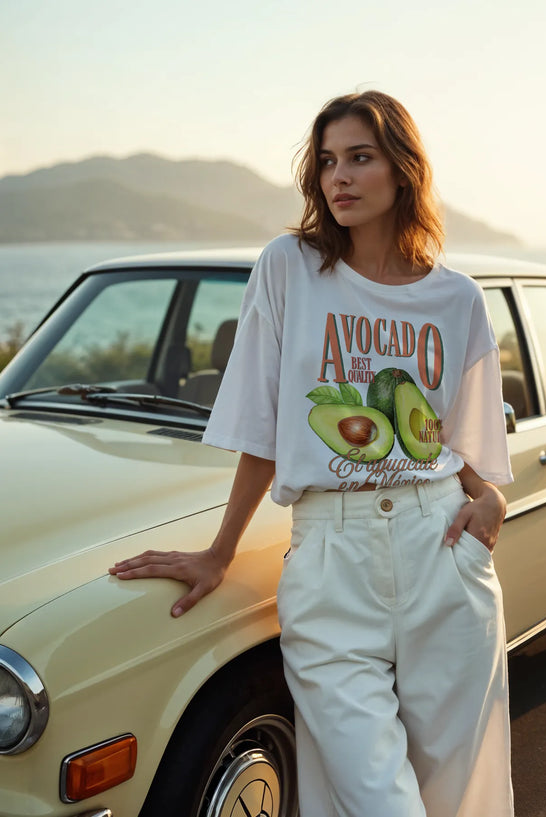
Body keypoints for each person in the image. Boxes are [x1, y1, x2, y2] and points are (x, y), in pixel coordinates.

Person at [110, 90, 514, 817]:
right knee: (374, 794)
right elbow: (264, 429)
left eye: (360, 157)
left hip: (442, 548)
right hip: (331, 556)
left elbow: (458, 442)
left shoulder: (458, 299)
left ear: (403, 169)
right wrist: (220, 551)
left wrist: (491, 497)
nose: (340, 178)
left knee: (457, 790)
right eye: (327, 162)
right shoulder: (289, 268)